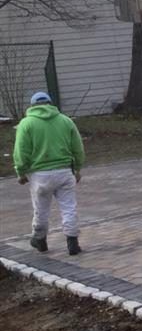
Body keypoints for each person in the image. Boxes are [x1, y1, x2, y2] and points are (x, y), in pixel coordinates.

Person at [13, 92, 85, 255]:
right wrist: (78, 168)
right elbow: (78, 148)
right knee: (69, 208)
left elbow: (20, 151)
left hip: (39, 175)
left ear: (32, 106)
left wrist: (21, 171)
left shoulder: (26, 124)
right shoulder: (65, 121)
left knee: (41, 209)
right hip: (65, 172)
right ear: (51, 103)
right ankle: (72, 242)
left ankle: (40, 240)